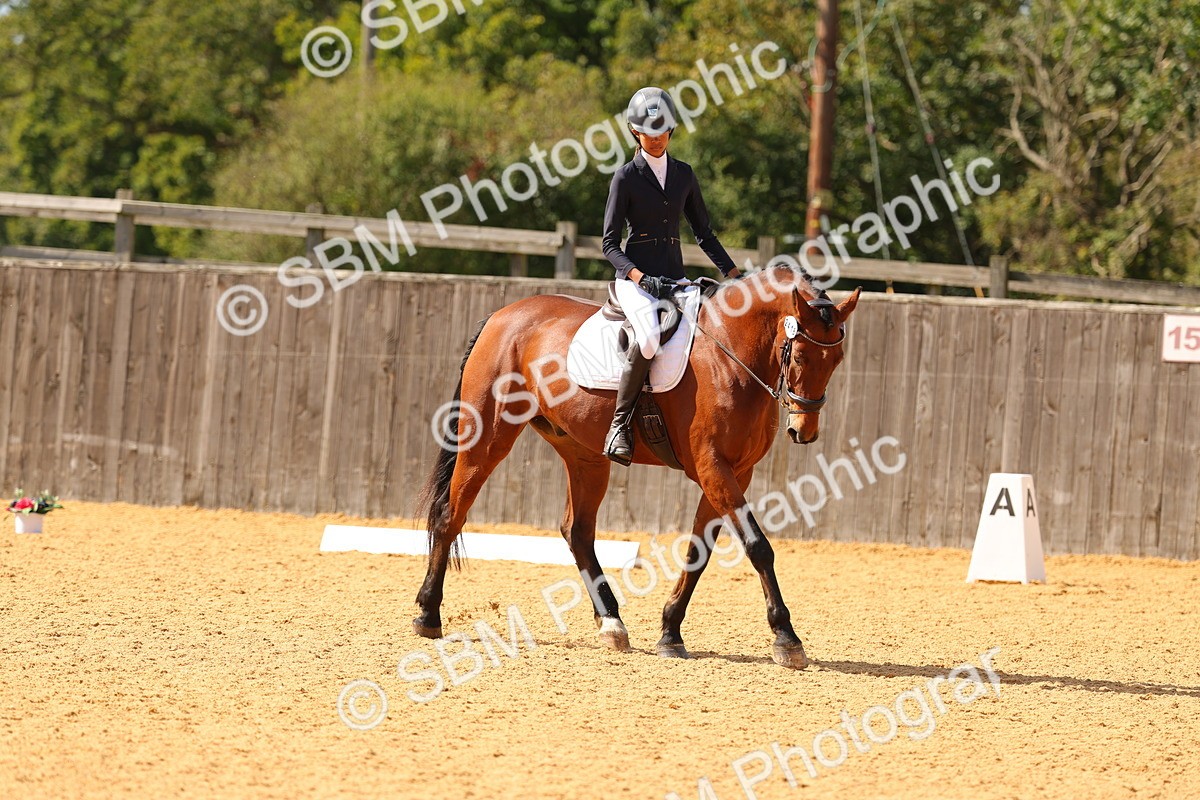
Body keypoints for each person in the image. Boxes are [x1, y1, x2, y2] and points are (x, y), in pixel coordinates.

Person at [600, 86, 742, 465]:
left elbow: (704, 234)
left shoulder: (683, 175)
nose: (658, 138)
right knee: (647, 339)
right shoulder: (625, 177)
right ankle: (619, 425)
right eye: (650, 132)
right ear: (635, 132)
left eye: (663, 131)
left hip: (676, 280)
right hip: (636, 282)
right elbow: (609, 244)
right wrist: (640, 278)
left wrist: (734, 273)